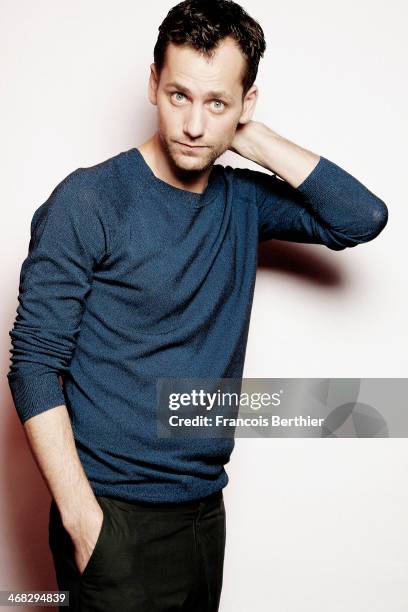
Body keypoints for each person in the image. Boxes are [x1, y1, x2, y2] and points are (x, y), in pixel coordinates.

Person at [6, 0, 388, 610]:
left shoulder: (244, 202)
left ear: (245, 104)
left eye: (217, 104)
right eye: (179, 95)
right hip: (113, 516)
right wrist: (84, 522)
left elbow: (362, 218)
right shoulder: (89, 201)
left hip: (205, 511)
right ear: (153, 83)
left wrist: (255, 142)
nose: (192, 124)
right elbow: (33, 364)